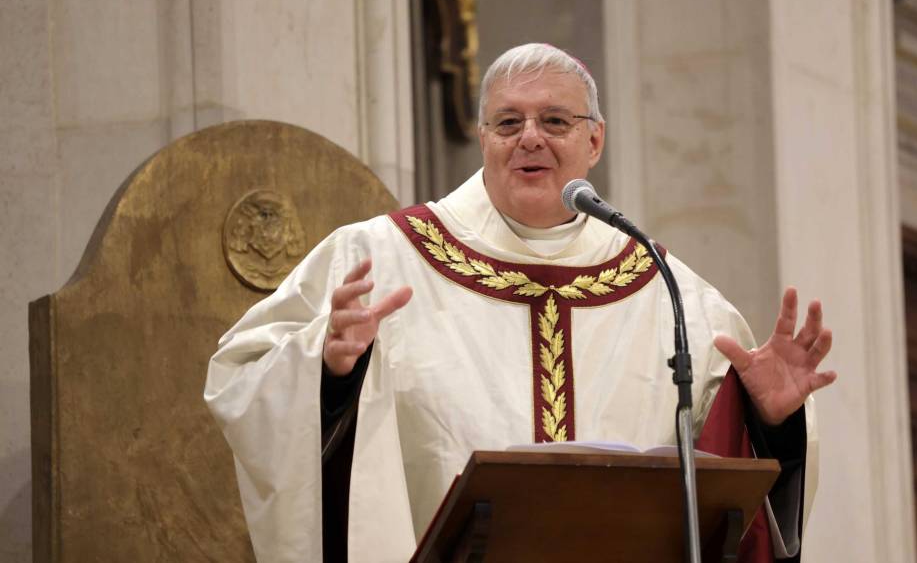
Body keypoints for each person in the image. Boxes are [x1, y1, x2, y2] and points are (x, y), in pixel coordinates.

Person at [205, 43, 836, 563]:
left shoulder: (670, 292)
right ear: (484, 139)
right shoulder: (378, 258)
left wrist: (771, 421)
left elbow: (731, 492)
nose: (529, 138)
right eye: (509, 123)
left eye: (555, 121)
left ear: (596, 140)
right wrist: (325, 370)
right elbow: (240, 380)